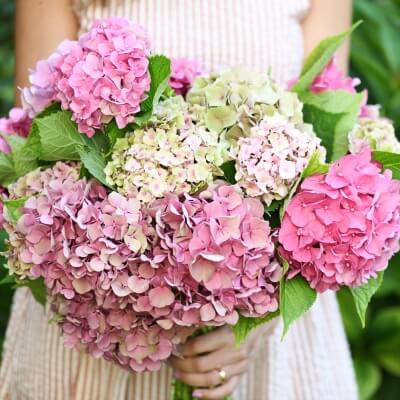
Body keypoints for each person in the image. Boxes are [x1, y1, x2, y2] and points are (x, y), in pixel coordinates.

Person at [0, 1, 357, 399]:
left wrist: (249, 324)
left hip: (268, 337)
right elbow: (38, 154)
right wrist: (141, 302)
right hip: (102, 326)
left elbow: (324, 162)